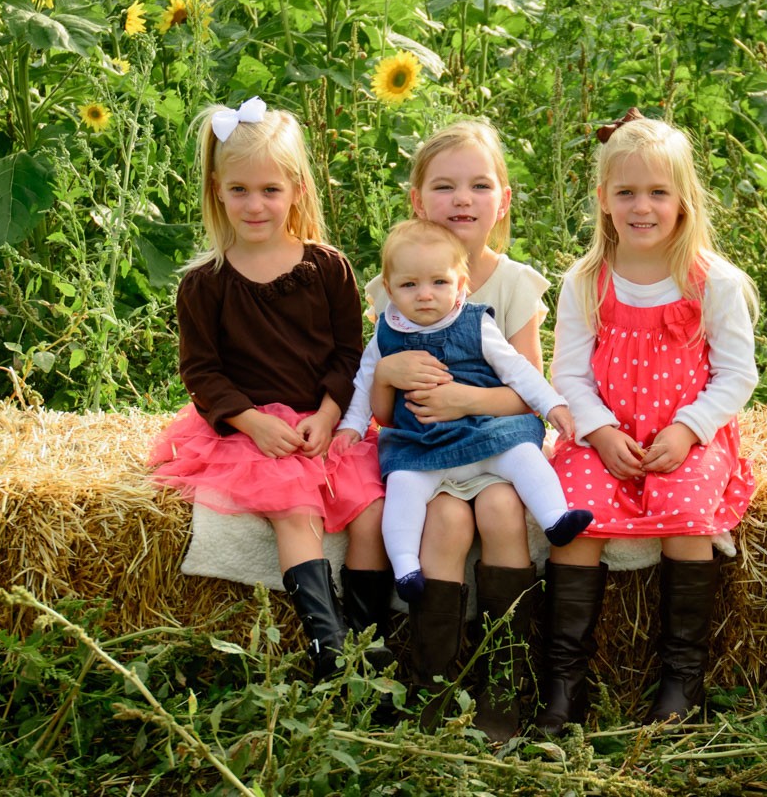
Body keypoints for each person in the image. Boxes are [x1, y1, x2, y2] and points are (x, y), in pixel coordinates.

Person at [148, 97, 392, 681]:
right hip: (252, 429)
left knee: (371, 509)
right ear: (216, 191)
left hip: (324, 421)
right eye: (239, 190)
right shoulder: (204, 283)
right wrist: (252, 421)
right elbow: (202, 371)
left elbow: (349, 354)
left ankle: (370, 643)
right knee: (294, 507)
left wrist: (330, 414)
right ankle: (328, 648)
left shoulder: (328, 268)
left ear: (298, 190)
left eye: (270, 190)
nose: (254, 205)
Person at [538, 114, 759, 732]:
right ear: (603, 199)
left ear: (684, 199)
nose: (642, 207)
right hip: (603, 436)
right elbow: (569, 373)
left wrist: (688, 429)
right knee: (574, 519)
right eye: (627, 192)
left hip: (684, 437)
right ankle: (565, 683)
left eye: (658, 192)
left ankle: (681, 681)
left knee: (687, 517)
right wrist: (600, 431)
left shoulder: (711, 281)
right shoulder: (587, 280)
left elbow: (737, 375)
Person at [361, 120, 550, 740]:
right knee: (443, 522)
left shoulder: (515, 284)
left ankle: (507, 681)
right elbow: (381, 412)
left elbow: (528, 393)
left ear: (503, 200)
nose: (462, 200)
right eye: (444, 187)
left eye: (478, 185)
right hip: (427, 450)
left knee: (500, 510)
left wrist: (466, 398)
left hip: (498, 442)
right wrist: (387, 372)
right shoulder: (393, 285)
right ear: (418, 200)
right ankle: (433, 683)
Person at [334, 220, 591, 602]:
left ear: (460, 283)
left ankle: (555, 518)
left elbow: (517, 370)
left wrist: (552, 403)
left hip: (483, 433)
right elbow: (364, 383)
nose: (425, 295)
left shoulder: (476, 323)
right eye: (409, 285)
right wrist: (352, 426)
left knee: (523, 454)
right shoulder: (386, 333)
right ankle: (406, 568)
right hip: (421, 445)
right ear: (388, 288)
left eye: (439, 282)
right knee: (402, 487)